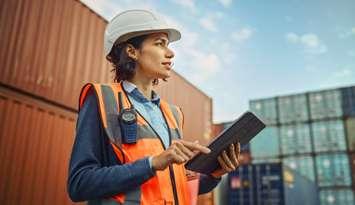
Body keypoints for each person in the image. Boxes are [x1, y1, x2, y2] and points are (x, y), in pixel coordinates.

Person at [67, 9, 241, 205]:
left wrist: (214, 175)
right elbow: (79, 184)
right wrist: (152, 163)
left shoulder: (173, 114)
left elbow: (173, 185)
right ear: (132, 51)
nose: (171, 52)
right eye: (160, 44)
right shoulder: (102, 99)